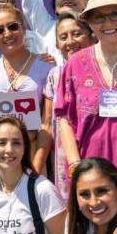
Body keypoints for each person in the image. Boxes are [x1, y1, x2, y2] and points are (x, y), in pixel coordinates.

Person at [56, 0, 117, 177]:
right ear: (89, 23)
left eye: (115, 14)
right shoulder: (75, 64)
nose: (108, 23)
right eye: (98, 18)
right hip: (90, 176)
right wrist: (75, 164)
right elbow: (64, 117)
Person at [0, 6, 53, 173]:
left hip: (33, 154)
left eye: (13, 26)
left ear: (23, 27)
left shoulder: (47, 66)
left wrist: (38, 164)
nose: (7, 34)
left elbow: (47, 121)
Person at [43, 12, 95, 195]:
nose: (70, 41)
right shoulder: (54, 75)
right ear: (57, 45)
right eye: (63, 37)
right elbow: (47, 123)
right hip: (62, 160)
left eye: (77, 33)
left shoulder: (103, 70)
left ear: (91, 36)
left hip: (95, 152)